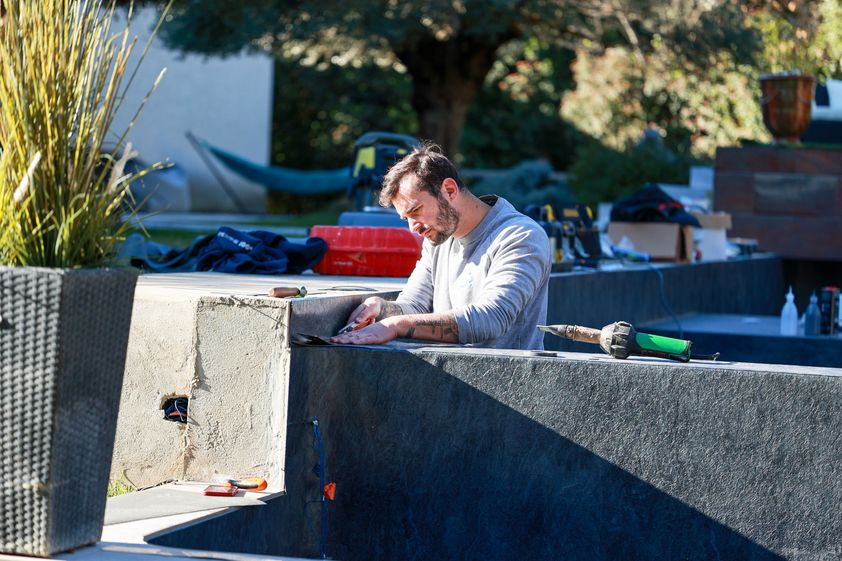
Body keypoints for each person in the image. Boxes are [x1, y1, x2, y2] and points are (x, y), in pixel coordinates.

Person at [330, 142, 551, 349]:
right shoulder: (437, 238)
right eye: (406, 218)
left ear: (450, 190)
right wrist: (381, 309)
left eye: (416, 211)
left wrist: (396, 325)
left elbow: (492, 318)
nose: (413, 228)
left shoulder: (521, 236)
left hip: (511, 376)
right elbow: (415, 306)